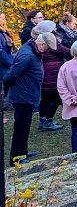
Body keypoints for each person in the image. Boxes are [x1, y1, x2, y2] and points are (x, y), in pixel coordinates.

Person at [6, 32, 53, 164]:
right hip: (22, 96)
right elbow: (11, 75)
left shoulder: (32, 50)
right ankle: (16, 158)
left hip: (28, 94)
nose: (48, 51)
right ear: (42, 44)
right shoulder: (27, 55)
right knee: (20, 128)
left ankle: (23, 152)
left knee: (25, 126)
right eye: (48, 48)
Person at [38, 29, 70, 132]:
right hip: (54, 74)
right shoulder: (54, 43)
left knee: (45, 98)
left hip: (44, 73)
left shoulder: (39, 43)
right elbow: (68, 52)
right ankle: (49, 121)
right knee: (55, 98)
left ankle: (42, 120)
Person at [0, 11, 15, 91]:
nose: (5, 21)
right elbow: (2, 53)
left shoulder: (4, 32)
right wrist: (12, 63)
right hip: (3, 66)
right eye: (3, 19)